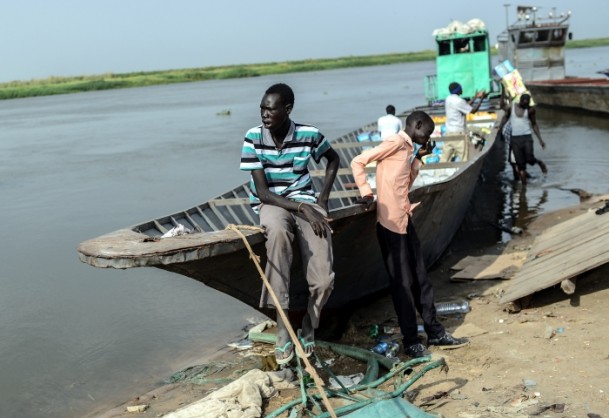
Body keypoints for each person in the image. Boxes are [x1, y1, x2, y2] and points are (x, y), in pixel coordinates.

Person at [350, 110, 468, 358]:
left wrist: (417, 160)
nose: (429, 137)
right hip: (390, 226)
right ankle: (411, 341)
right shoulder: (394, 142)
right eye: (428, 131)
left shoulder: (408, 149)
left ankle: (435, 332)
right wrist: (366, 193)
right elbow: (358, 161)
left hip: (404, 221)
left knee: (421, 281)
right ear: (417, 124)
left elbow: (404, 184)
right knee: (402, 286)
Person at [239, 83, 340, 365]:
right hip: (272, 204)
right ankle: (283, 328)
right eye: (262, 108)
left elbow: (333, 159)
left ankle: (309, 324)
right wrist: (303, 208)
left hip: (306, 201)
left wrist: (323, 199)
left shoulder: (308, 134)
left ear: (287, 109)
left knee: (323, 279)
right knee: (278, 234)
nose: (264, 114)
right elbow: (262, 193)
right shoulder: (253, 137)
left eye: (270, 108)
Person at [496, 93, 547, 187]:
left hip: (527, 137)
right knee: (520, 165)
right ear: (520, 101)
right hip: (515, 138)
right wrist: (503, 92)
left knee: (530, 159)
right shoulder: (512, 107)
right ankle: (523, 189)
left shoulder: (530, 109)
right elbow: (502, 107)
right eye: (524, 104)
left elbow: (534, 124)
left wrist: (540, 139)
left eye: (527, 104)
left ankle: (539, 162)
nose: (525, 106)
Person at [443, 82, 488, 162]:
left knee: (445, 159)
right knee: (464, 158)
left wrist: (475, 97)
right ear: (458, 90)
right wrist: (481, 99)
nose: (462, 89)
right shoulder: (459, 101)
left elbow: (464, 106)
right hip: (458, 133)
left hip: (448, 133)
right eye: (460, 88)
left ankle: (441, 173)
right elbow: (473, 111)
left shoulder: (448, 99)